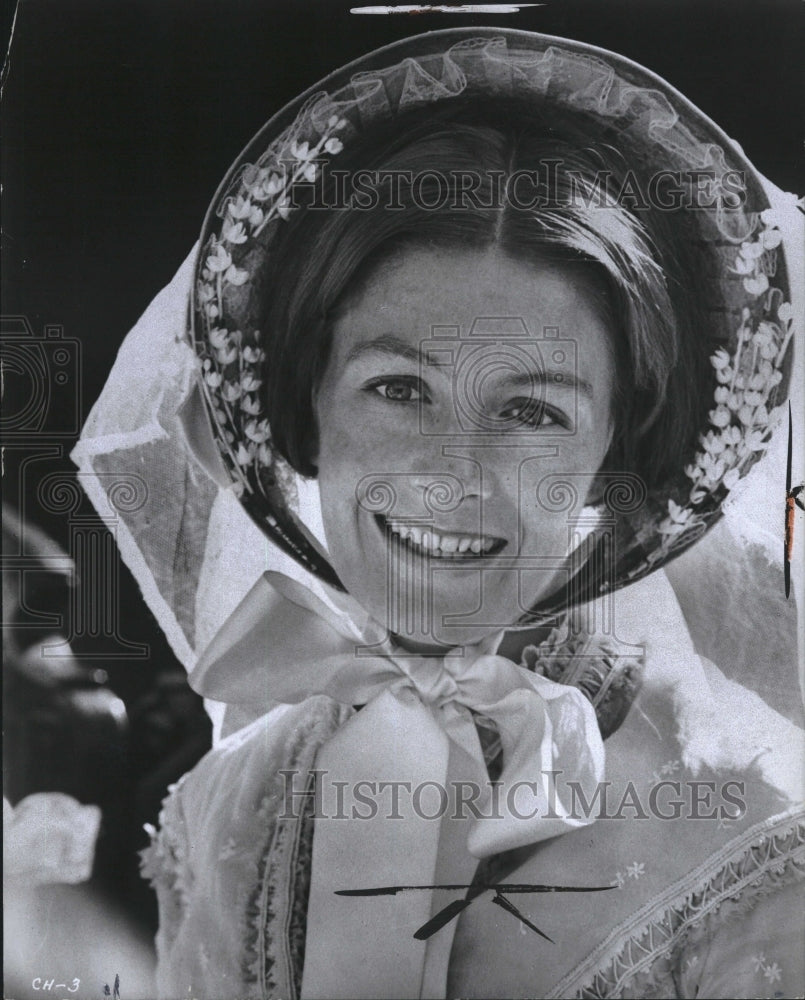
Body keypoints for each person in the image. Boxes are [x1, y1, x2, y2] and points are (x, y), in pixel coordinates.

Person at [73, 28, 804, 999]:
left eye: (533, 411)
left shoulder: (750, 850)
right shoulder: (224, 802)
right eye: (399, 388)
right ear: (309, 404)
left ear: (609, 460)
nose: (451, 477)